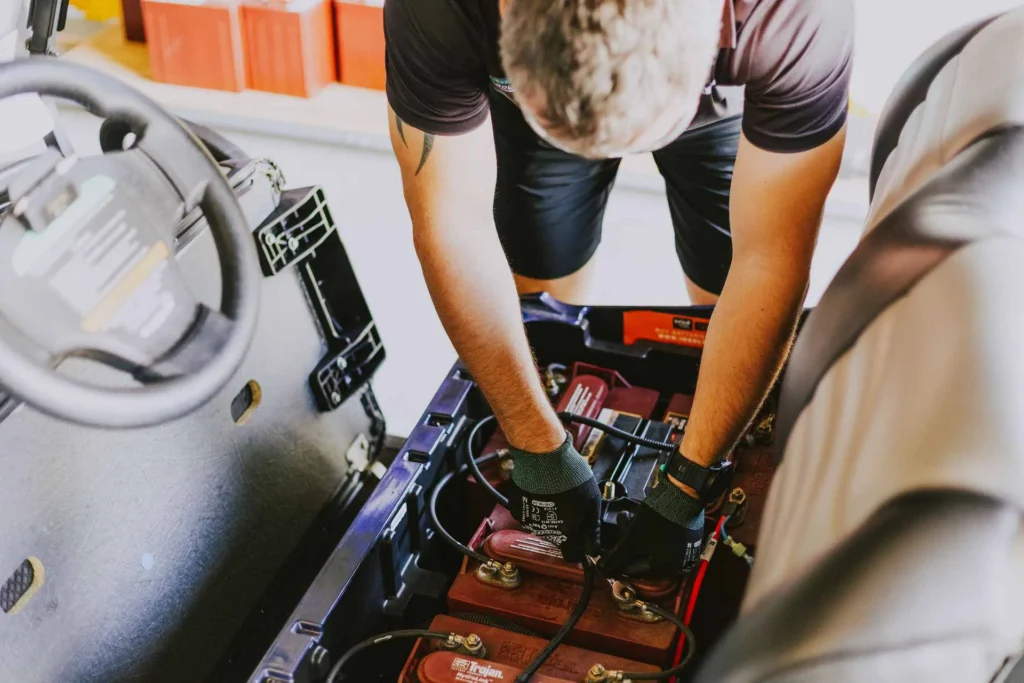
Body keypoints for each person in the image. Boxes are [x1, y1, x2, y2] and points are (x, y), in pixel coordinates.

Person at [384, 0, 853, 576]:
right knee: (545, 296)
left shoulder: (793, 19)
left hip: (715, 104)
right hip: (531, 102)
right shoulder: (438, 11)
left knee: (724, 282)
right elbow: (453, 226)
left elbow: (769, 260)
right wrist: (534, 442)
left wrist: (693, 477)